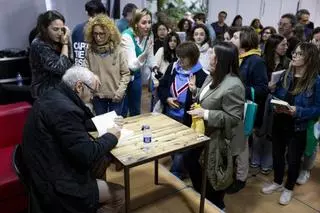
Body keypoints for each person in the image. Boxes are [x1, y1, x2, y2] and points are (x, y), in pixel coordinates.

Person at [22, 66, 125, 213]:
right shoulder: (65, 109)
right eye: (92, 91)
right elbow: (86, 155)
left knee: (103, 159)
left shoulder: (55, 94)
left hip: (46, 165)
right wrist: (112, 136)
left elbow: (76, 123)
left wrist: (106, 121)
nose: (92, 97)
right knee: (120, 195)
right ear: (79, 86)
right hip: (54, 184)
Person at [186, 42, 245, 210]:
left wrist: (205, 114)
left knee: (214, 177)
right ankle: (203, 196)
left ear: (223, 60)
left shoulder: (234, 85)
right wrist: (195, 91)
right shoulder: (213, 74)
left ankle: (217, 206)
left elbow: (234, 117)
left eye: (214, 55)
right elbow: (210, 98)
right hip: (206, 134)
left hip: (221, 140)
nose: (210, 57)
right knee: (192, 162)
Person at [262, 42, 320, 205]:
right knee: (277, 155)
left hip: (298, 126)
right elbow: (279, 95)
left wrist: (299, 111)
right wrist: (273, 90)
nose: (294, 55)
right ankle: (277, 182)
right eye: (295, 52)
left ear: (309, 58)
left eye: (300, 54)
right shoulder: (285, 75)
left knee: (293, 160)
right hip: (280, 121)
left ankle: (288, 188)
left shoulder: (316, 81)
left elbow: (317, 108)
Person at [158, 41, 207, 179]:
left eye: (183, 58)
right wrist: (167, 98)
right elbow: (162, 86)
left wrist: (193, 93)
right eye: (178, 56)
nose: (179, 60)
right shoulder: (173, 68)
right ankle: (179, 168)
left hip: (186, 118)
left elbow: (202, 100)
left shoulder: (202, 76)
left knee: (182, 147)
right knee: (172, 144)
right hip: (169, 115)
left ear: (192, 58)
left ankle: (176, 174)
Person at [229, 26, 268, 193]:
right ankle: (230, 172)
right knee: (231, 142)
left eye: (235, 37)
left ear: (245, 40)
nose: (231, 39)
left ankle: (240, 177)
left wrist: (238, 89)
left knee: (242, 145)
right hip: (231, 106)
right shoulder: (236, 57)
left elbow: (262, 89)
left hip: (244, 108)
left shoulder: (255, 60)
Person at [250, 34, 289, 175]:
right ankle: (255, 158)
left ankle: (267, 162)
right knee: (258, 130)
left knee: (271, 133)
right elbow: (256, 84)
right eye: (283, 45)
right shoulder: (262, 62)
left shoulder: (287, 63)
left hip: (277, 100)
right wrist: (267, 86)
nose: (286, 47)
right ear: (274, 47)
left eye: (286, 45)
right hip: (261, 100)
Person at [84, 14, 130, 115]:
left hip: (116, 95)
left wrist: (120, 91)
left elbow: (126, 74)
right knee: (101, 127)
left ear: (109, 33)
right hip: (97, 96)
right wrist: (90, 92)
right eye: (95, 34)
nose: (98, 37)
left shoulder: (118, 51)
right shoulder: (89, 51)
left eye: (102, 34)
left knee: (115, 126)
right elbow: (86, 74)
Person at [120, 8, 157, 117]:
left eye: (149, 22)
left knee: (135, 110)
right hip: (122, 76)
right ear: (136, 24)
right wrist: (144, 54)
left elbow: (150, 57)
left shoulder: (149, 35)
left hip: (136, 75)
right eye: (144, 23)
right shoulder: (127, 36)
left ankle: (135, 132)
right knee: (122, 110)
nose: (147, 26)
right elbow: (131, 65)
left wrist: (155, 67)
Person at [29, 10, 73, 99]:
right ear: (45, 28)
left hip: (60, 89)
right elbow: (60, 68)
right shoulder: (38, 44)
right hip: (45, 92)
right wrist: (65, 44)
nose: (60, 33)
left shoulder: (58, 40)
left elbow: (70, 63)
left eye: (62, 29)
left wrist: (66, 43)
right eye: (55, 29)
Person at [72, 0, 106, 66]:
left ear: (86, 12)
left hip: (79, 69)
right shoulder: (103, 29)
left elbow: (76, 54)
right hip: (93, 70)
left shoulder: (77, 29)